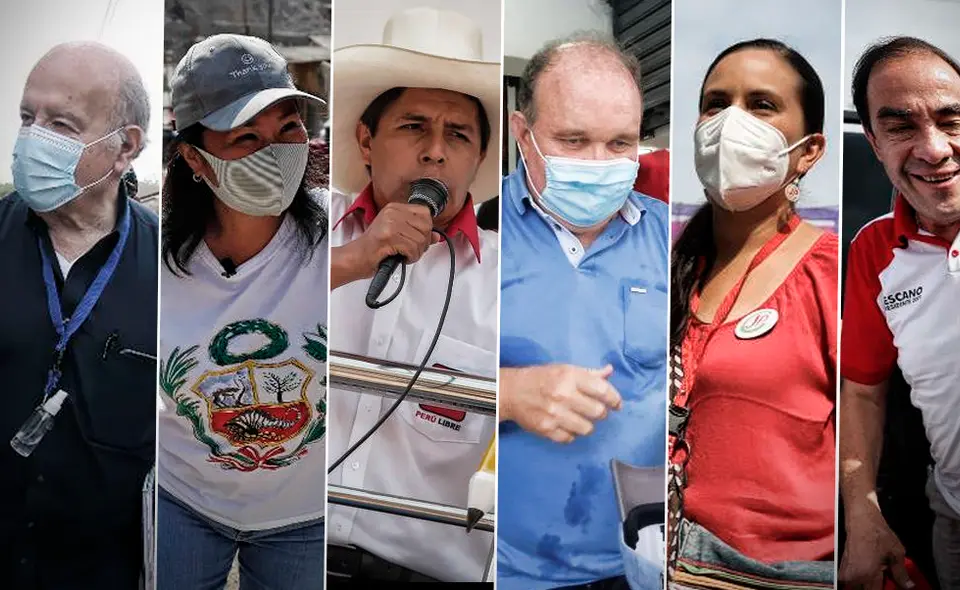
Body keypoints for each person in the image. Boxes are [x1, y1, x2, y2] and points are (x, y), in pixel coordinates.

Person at [325, 7, 499, 583]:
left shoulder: (510, 279)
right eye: (413, 127)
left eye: (458, 135)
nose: (435, 151)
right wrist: (353, 259)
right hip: (291, 552)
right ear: (366, 141)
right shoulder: (303, 226)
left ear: (478, 158)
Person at [498, 31, 670, 589]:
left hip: (645, 562)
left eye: (620, 143)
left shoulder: (677, 240)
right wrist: (507, 393)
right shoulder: (475, 233)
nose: (599, 164)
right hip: (512, 567)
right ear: (522, 133)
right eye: (573, 140)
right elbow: (409, 383)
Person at [156, 34, 328, 590]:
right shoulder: (154, 256)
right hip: (183, 501)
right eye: (246, 136)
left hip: (305, 517)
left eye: (288, 128)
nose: (274, 152)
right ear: (193, 157)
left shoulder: (343, 235)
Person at [666, 38, 837, 587]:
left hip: (780, 573)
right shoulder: (673, 267)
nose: (729, 123)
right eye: (716, 104)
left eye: (761, 105)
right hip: (664, 560)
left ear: (809, 151)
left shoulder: (831, 273)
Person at [839, 36, 960, 590]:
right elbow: (862, 391)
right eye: (901, 127)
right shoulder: (872, 250)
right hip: (954, 522)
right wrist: (863, 514)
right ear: (874, 143)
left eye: (950, 121)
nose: (933, 149)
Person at [0, 42, 157, 589]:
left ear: (125, 147)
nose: (31, 138)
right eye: (28, 117)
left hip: (101, 571)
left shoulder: (172, 270)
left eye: (61, 124)